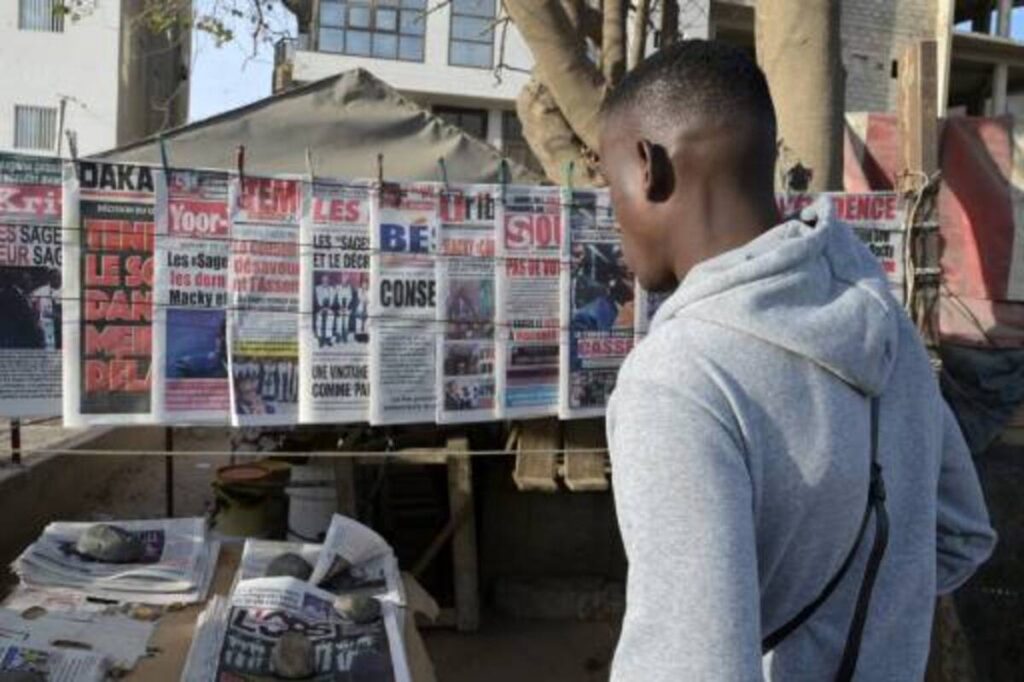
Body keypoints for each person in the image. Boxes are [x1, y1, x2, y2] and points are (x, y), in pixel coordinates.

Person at [600, 40, 995, 681]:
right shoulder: (883, 326)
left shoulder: (678, 381)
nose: (610, 212)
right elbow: (959, 531)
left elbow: (692, 668)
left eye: (604, 176)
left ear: (648, 167)